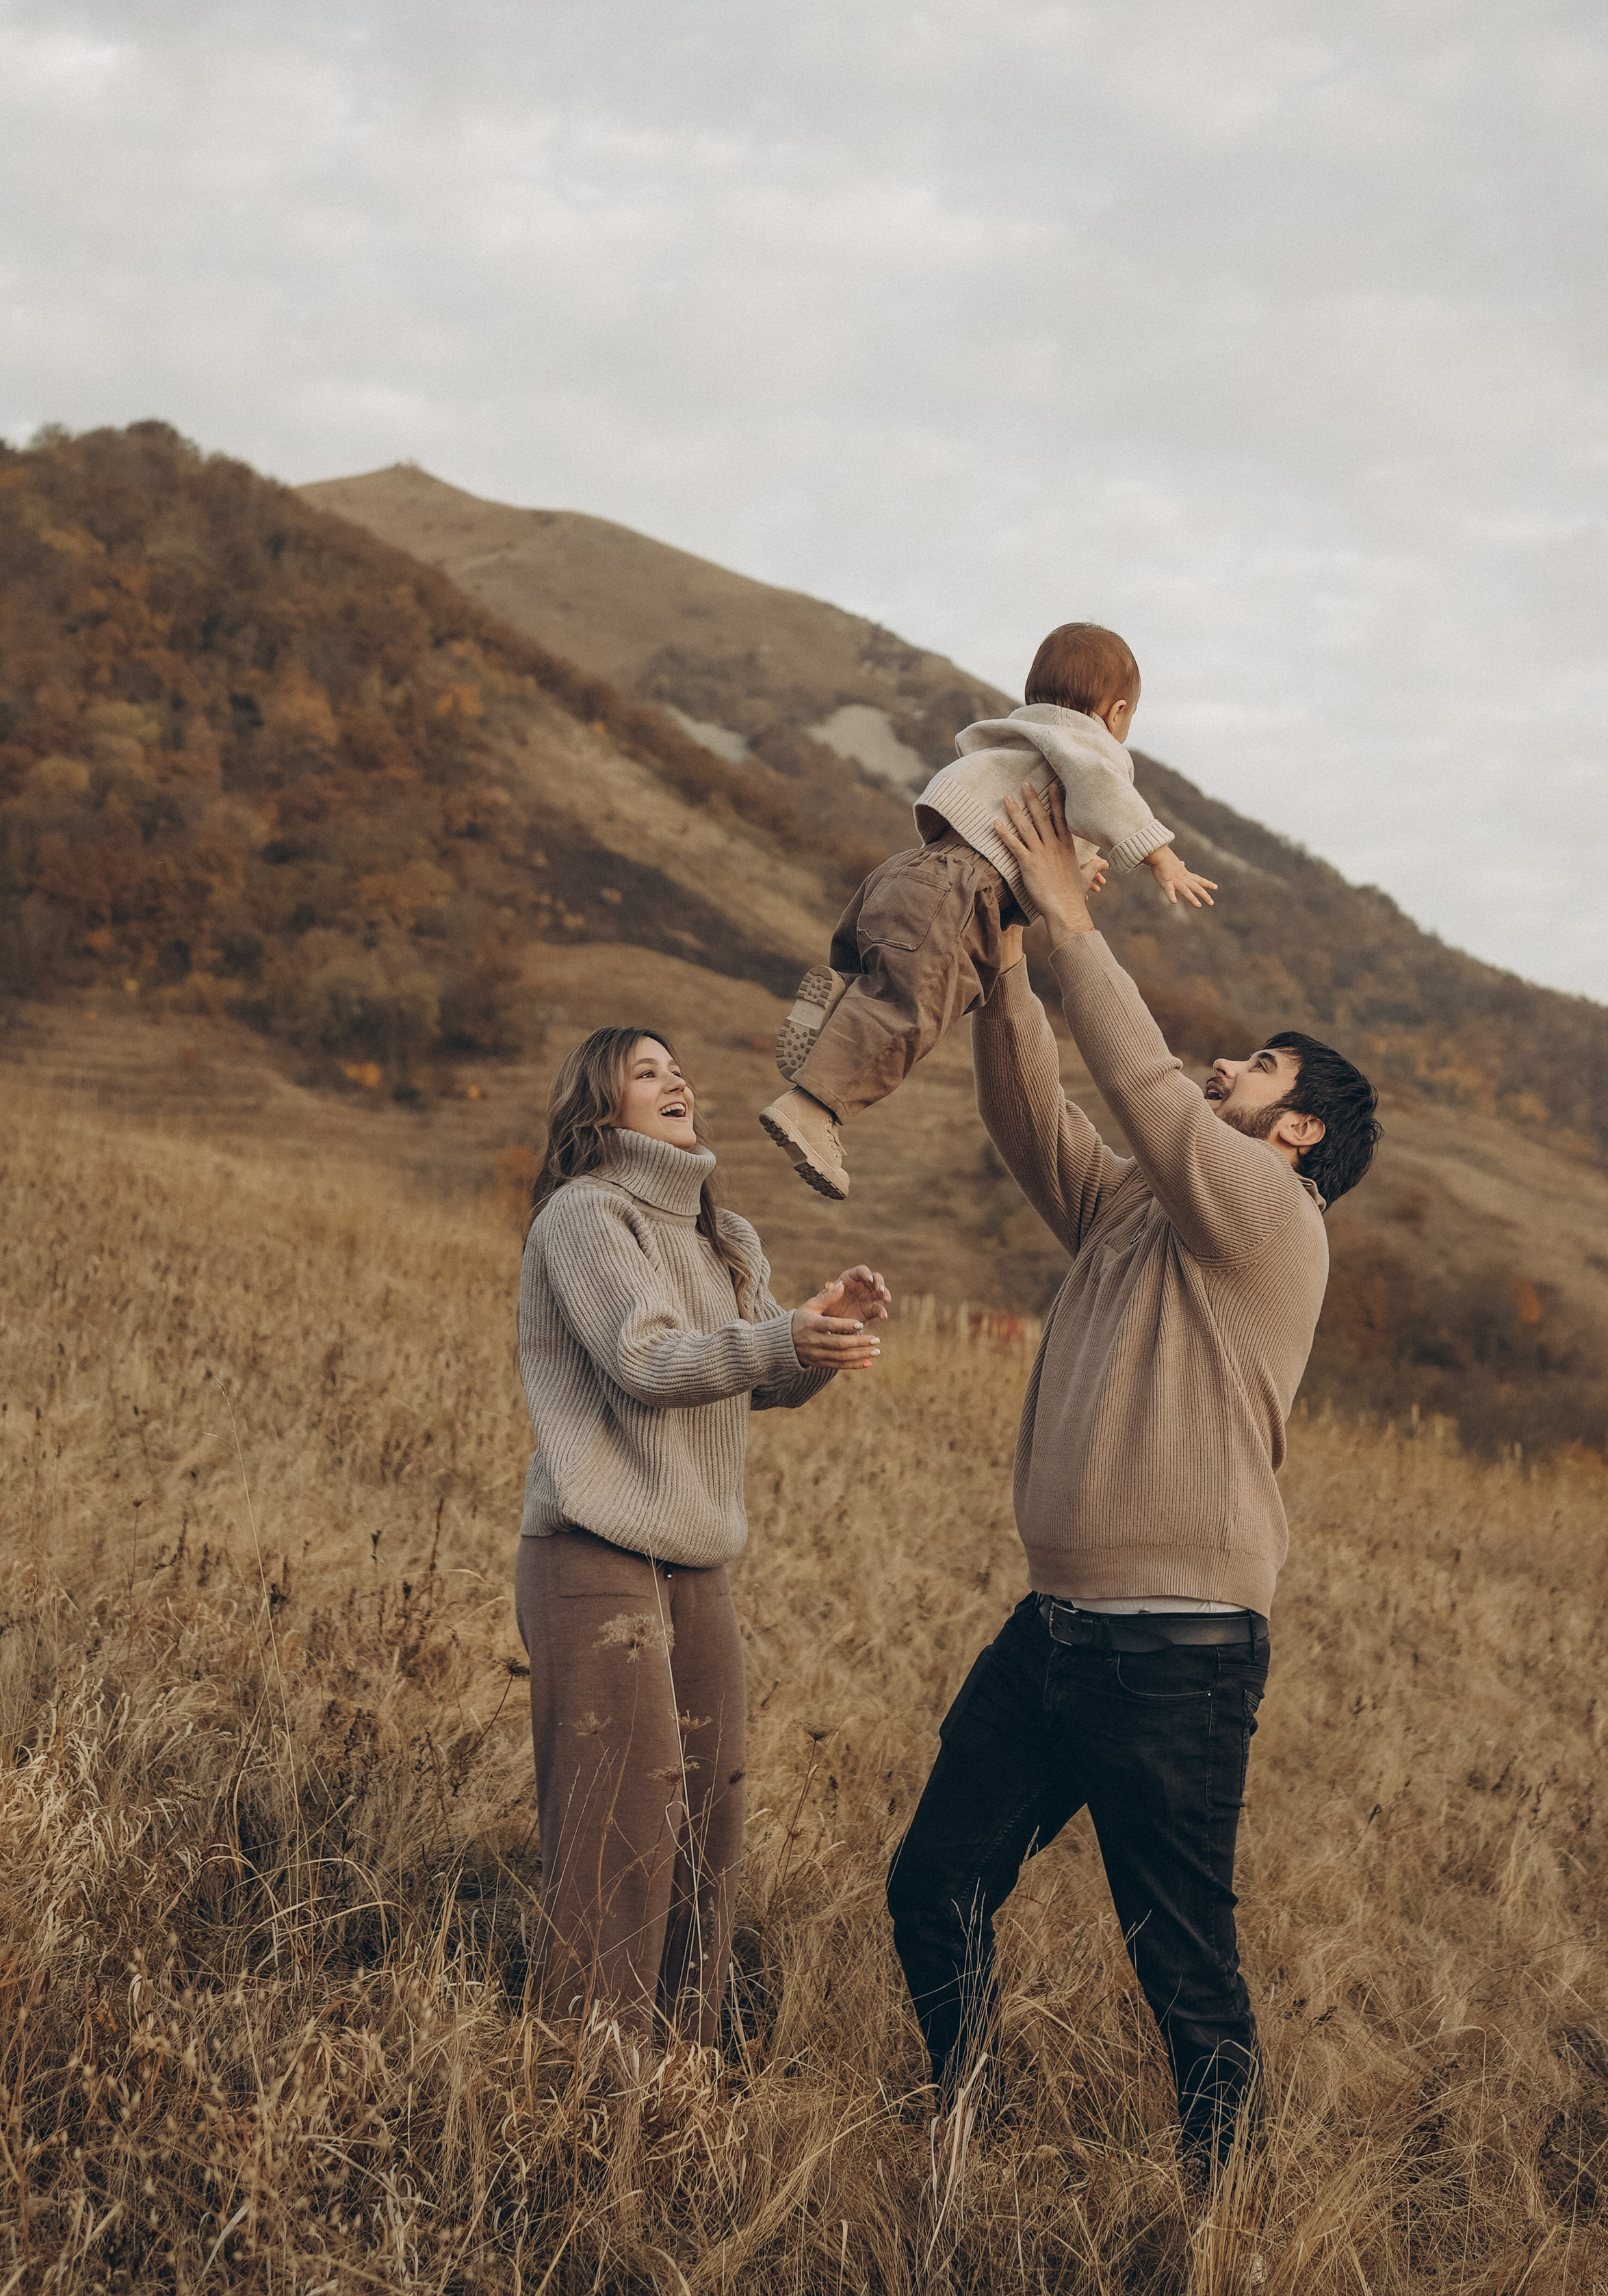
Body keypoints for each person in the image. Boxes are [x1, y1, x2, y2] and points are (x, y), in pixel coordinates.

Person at [885, 781, 1380, 2174]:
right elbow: (1034, 1114)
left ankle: (1223, 2212)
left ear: (1295, 1134)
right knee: (935, 1883)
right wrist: (1000, 967)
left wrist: (1063, 913)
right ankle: (965, 2120)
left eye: (1260, 1066)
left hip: (1174, 1653)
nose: (1230, 1064)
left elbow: (1146, 1093)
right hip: (1051, 1629)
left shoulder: (1270, 1214)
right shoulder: (1132, 1209)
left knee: (1181, 1959)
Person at [515, 1023, 888, 2041]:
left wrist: (820, 1333)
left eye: (678, 1069)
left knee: (706, 1828)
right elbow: (648, 1360)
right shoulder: (585, 1217)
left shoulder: (727, 1239)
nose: (676, 1079)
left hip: (696, 1558)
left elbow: (756, 1378)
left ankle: (683, 2076)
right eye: (647, 1071)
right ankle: (591, 2083)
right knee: (619, 1832)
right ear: (602, 1105)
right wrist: (776, 1334)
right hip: (591, 1551)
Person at [757, 622, 1217, 1200]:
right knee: (913, 1009)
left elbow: (1000, 833)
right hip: (958, 893)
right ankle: (813, 1109)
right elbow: (1106, 794)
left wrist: (1067, 876)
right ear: (1115, 712)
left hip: (904, 875)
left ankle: (834, 1002)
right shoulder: (1089, 745)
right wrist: (1161, 857)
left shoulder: (1014, 741)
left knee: (887, 979)